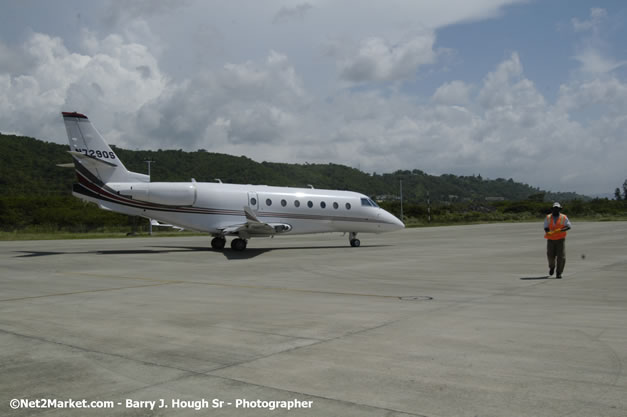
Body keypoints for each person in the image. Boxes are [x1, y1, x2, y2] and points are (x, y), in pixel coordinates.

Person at [544, 202, 572, 278]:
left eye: (557, 208)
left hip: (560, 240)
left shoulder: (564, 217)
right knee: (550, 256)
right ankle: (552, 267)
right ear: (552, 209)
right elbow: (546, 226)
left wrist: (561, 230)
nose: (556, 210)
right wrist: (548, 232)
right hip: (550, 240)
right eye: (554, 208)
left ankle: (559, 272)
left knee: (561, 256)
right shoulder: (548, 217)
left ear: (559, 209)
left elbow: (569, 226)